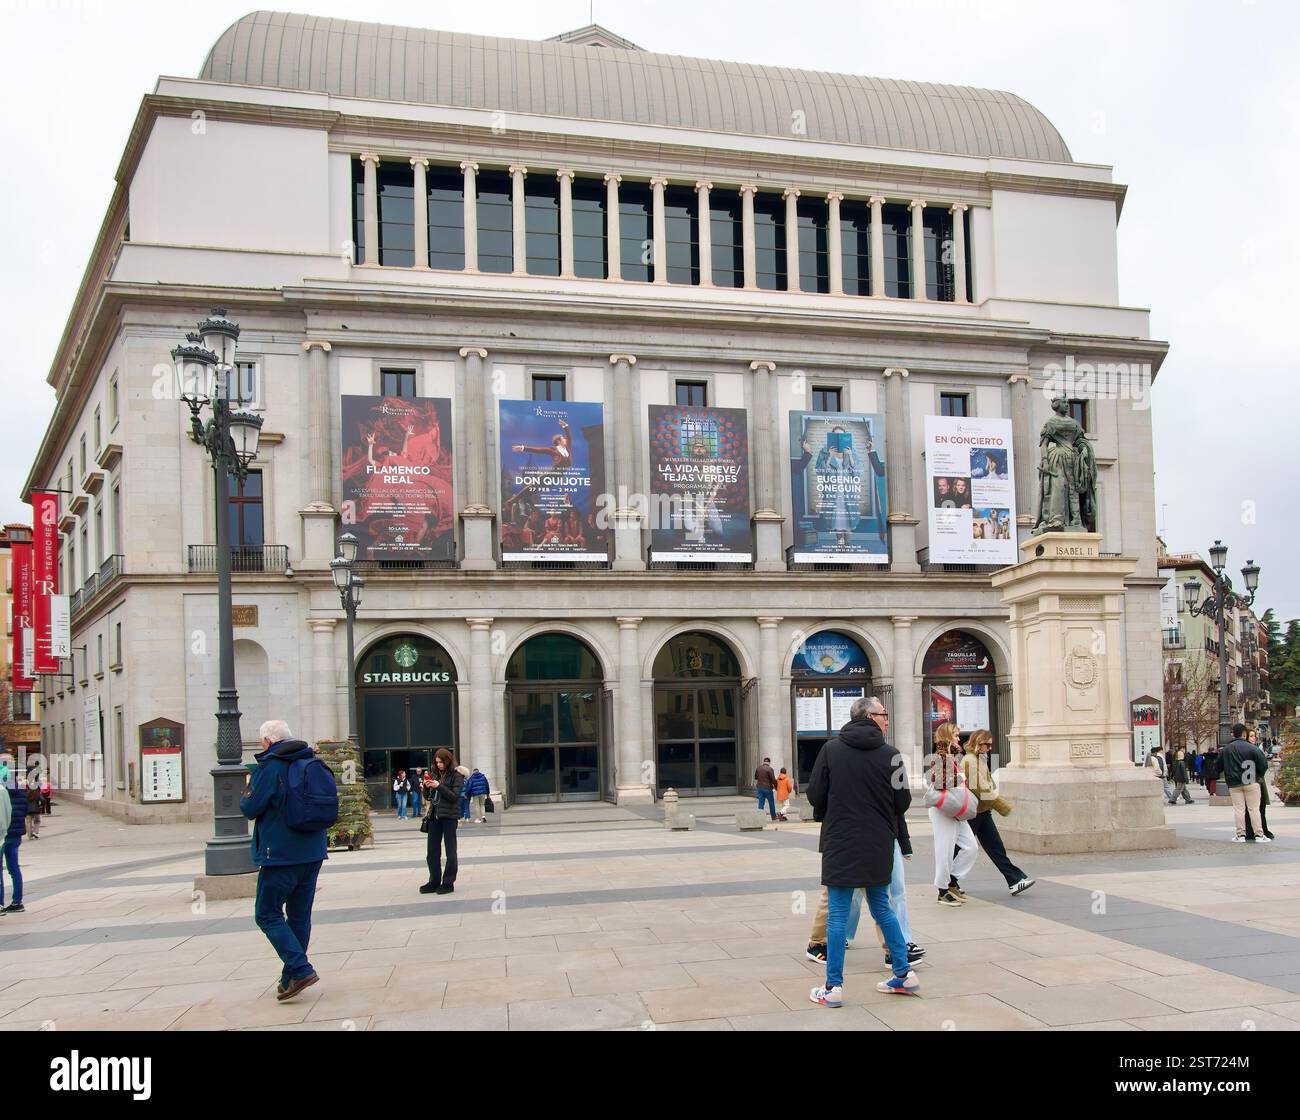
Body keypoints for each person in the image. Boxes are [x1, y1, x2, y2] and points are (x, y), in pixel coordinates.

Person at [807, 696, 918, 1005]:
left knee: (838, 914)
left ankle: (833, 988)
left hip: (841, 841)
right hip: (878, 841)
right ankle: (903, 973)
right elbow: (903, 802)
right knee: (882, 907)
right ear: (870, 716)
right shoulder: (892, 755)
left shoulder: (830, 751)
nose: (887, 719)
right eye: (883, 714)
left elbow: (815, 794)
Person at [239, 720, 330, 1001]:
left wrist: (248, 787)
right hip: (313, 851)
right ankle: (291, 976)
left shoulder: (271, 767)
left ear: (267, 741)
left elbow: (249, 807)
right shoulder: (311, 761)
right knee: (300, 915)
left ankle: (300, 968)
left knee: (267, 913)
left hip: (280, 854)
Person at [962, 730, 1035, 896]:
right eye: (986, 744)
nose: (989, 748)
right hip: (974, 813)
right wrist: (1003, 807)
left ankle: (1015, 880)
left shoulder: (978, 759)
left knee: (995, 848)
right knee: (963, 849)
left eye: (990, 745)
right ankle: (948, 882)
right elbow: (981, 789)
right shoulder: (970, 762)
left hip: (982, 812)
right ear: (977, 743)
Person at [927, 723, 977, 906]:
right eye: (955, 735)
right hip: (943, 809)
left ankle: (952, 881)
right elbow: (940, 782)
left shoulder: (951, 756)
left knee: (971, 847)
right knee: (945, 850)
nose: (959, 738)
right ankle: (942, 891)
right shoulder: (940, 755)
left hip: (954, 808)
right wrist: (962, 778)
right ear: (947, 736)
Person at [420, 748, 465, 894]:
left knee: (450, 851)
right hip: (434, 816)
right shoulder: (434, 774)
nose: (438, 765)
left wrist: (439, 786)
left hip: (449, 817)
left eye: (441, 762)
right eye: (436, 762)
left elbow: (454, 796)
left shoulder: (456, 776)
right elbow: (429, 797)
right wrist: (426, 787)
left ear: (448, 761)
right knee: (432, 851)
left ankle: (448, 882)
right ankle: (434, 880)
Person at [1222, 723, 1270, 843]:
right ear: (1244, 734)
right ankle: (1259, 835)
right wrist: (1257, 776)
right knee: (1254, 809)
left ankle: (1240, 835)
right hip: (1250, 781)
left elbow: (1218, 765)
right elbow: (1264, 765)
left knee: (1239, 810)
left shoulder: (1226, 749)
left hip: (1234, 784)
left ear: (1233, 734)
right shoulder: (1253, 748)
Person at [1, 757, 25, 914]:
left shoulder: (3, 791)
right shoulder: (21, 790)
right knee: (14, 868)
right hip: (15, 834)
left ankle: (0, 903)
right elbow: (23, 811)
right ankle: (17, 901)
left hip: (4, 833)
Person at [1243, 730, 1275, 842]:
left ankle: (1259, 829)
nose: (1253, 738)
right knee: (1256, 807)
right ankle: (1256, 831)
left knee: (1258, 807)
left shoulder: (1250, 750)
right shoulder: (1254, 750)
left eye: (1254, 736)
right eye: (1251, 736)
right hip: (1254, 780)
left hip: (1252, 780)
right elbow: (1263, 765)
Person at [754, 757, 778, 821]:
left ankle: (760, 817)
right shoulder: (770, 769)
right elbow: (773, 780)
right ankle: (773, 816)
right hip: (768, 788)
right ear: (769, 762)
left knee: (761, 802)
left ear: (763, 762)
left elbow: (756, 777)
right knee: (771, 802)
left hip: (760, 788)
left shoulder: (758, 768)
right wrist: (776, 787)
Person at [25, 766, 40, 840]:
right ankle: (35, 832)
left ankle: (29, 835)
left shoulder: (25, 788)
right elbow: (41, 798)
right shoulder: (36, 789)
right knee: (37, 821)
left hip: (27, 809)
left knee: (28, 822)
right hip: (36, 808)